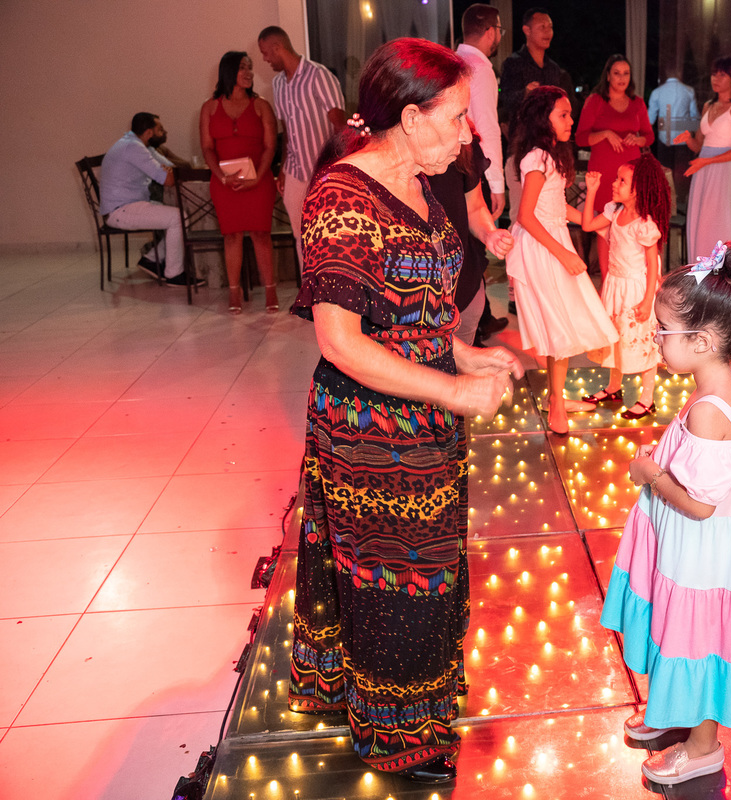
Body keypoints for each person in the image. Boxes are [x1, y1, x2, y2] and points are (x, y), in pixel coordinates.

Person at [286, 38, 523, 783]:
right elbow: (343, 341)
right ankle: (397, 739)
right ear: (412, 118)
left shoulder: (422, 186)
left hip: (423, 422)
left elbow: (415, 316)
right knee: (395, 580)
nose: (469, 135)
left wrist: (463, 355)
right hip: (370, 433)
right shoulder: (342, 198)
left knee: (427, 574)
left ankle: (406, 707)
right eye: (457, 118)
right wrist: (453, 390)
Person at [600, 241, 731, 786]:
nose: (655, 338)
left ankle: (703, 746)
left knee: (700, 641)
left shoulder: (708, 408)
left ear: (701, 341)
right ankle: (672, 713)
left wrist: (651, 474)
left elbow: (700, 503)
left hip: (702, 557)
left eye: (663, 331)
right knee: (681, 633)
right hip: (691, 549)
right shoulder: (721, 383)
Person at [508, 86, 618, 435]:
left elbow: (557, 208)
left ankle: (558, 395)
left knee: (563, 327)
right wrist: (564, 254)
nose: (571, 120)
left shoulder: (550, 155)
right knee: (559, 326)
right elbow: (526, 215)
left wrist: (600, 223)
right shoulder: (537, 158)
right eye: (563, 114)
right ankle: (556, 400)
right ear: (544, 119)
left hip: (552, 239)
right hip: (542, 247)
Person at [580, 153, 673, 419]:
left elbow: (653, 264)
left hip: (636, 289)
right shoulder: (614, 211)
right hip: (615, 285)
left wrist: (647, 301)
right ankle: (613, 387)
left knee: (642, 342)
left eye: (622, 181)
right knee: (616, 337)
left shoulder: (644, 224)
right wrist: (592, 191)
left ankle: (647, 398)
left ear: (638, 189)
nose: (615, 183)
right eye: (617, 179)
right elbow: (587, 224)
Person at [257, 25, 347, 261]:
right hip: (295, 171)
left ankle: (330, 292)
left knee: (329, 235)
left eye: (265, 52)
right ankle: (308, 293)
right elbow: (286, 129)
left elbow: (340, 124)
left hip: (324, 169)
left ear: (277, 47)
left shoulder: (319, 75)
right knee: (301, 236)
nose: (265, 59)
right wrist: (284, 170)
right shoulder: (277, 85)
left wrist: (340, 167)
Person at [200, 51, 279, 314]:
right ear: (228, 71)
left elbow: (271, 146)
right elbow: (207, 149)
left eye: (250, 68)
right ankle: (234, 293)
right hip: (225, 183)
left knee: (260, 234)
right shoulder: (209, 108)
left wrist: (257, 175)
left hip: (259, 180)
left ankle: (270, 289)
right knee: (231, 236)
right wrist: (222, 177)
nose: (248, 73)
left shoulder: (261, 105)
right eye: (242, 68)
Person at [425, 127, 514, 345]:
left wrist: (489, 233)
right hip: (418, 295)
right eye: (458, 115)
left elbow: (474, 206)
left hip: (464, 284)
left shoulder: (464, 144)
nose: (467, 131)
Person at [576, 54, 654, 277]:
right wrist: (605, 134)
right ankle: (607, 278)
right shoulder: (596, 101)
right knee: (606, 223)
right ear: (608, 75)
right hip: (605, 169)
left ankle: (633, 276)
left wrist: (638, 139)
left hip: (631, 170)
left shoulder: (637, 103)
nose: (622, 78)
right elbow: (581, 137)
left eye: (626, 73)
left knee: (632, 219)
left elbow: (648, 136)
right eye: (617, 73)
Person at [99, 112, 191, 286]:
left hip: (128, 205)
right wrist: (165, 172)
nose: (163, 132)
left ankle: (150, 259)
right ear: (149, 132)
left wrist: (166, 170)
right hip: (121, 209)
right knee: (179, 217)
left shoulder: (137, 145)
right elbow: (169, 179)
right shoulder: (134, 148)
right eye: (159, 129)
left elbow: (172, 169)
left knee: (181, 215)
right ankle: (174, 274)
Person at [674, 56, 731, 263]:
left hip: (723, 170)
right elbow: (700, 145)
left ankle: (720, 273)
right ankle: (700, 271)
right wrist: (688, 139)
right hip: (704, 169)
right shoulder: (708, 105)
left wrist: (706, 161)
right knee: (700, 221)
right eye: (714, 74)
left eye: (722, 75)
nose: (715, 79)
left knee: (719, 221)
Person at [456, 3, 506, 223]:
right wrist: (497, 185)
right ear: (491, 31)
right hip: (473, 167)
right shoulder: (481, 69)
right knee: (477, 241)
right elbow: (487, 128)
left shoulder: (452, 61)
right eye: (500, 30)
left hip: (450, 163)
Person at [498, 8, 575, 127]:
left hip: (551, 134)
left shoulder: (553, 68)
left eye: (550, 27)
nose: (548, 31)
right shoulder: (513, 63)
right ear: (527, 30)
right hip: (524, 136)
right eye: (542, 27)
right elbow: (505, 100)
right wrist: (525, 93)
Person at [646, 67, 698, 212]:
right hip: (683, 142)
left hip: (665, 142)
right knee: (682, 180)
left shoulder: (657, 92)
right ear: (680, 73)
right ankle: (680, 211)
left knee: (665, 179)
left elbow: (649, 119)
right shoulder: (688, 91)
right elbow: (694, 118)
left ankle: (666, 211)